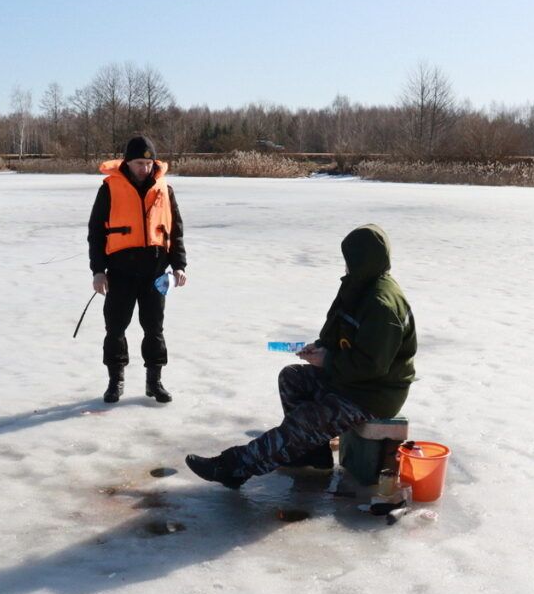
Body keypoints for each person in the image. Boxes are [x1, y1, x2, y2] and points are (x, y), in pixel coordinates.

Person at [186, 224, 416, 488]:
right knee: (292, 378)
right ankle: (312, 453)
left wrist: (328, 361)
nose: (344, 265)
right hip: (354, 382)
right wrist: (321, 347)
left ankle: (232, 467)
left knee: (306, 420)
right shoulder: (358, 286)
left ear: (361, 260)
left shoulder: (381, 305)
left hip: (374, 394)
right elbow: (338, 330)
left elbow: (371, 366)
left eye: (348, 259)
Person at [88, 135, 187, 404]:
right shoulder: (109, 188)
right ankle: (115, 381)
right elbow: (96, 233)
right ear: (127, 163)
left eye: (148, 162)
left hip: (155, 272)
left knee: (154, 328)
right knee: (115, 327)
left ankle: (154, 382)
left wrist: (179, 264)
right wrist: (98, 271)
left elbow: (175, 230)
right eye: (138, 163)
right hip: (120, 272)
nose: (144, 168)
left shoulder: (165, 189)